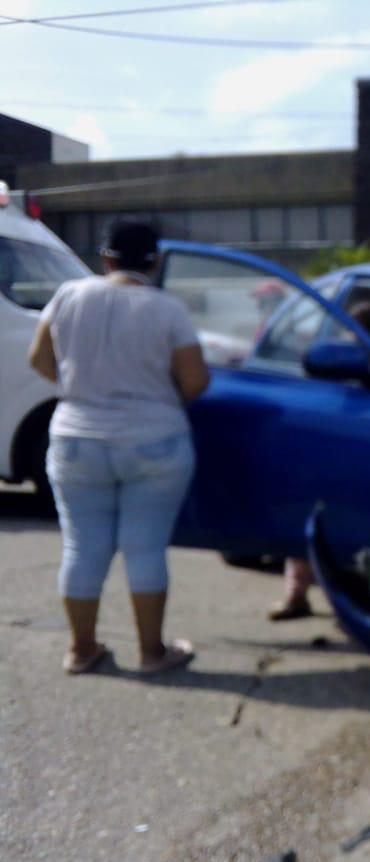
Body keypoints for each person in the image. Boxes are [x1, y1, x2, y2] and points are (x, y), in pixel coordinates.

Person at [27, 220, 210, 673]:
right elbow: (195, 379)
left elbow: (39, 359)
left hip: (76, 436)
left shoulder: (69, 295)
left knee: (81, 548)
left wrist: (83, 388)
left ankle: (81, 650)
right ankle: (152, 653)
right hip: (154, 440)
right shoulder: (168, 309)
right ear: (157, 261)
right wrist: (159, 400)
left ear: (105, 258)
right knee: (145, 549)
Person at [268, 289, 370, 620]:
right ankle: (297, 594)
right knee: (311, 515)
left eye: (355, 333)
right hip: (342, 445)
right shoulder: (338, 361)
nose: (349, 340)